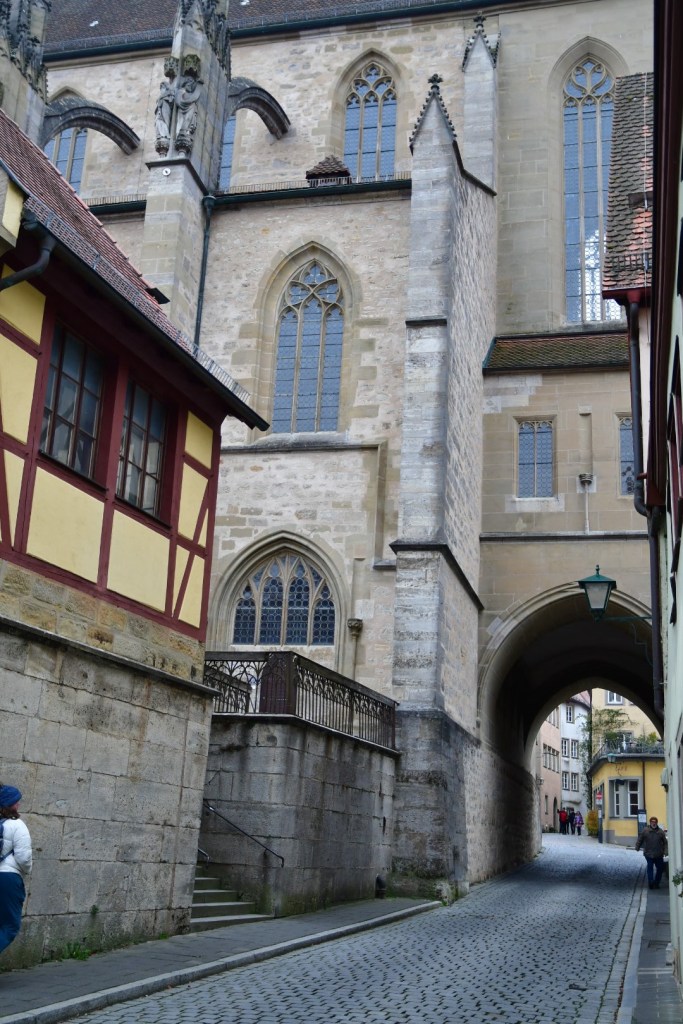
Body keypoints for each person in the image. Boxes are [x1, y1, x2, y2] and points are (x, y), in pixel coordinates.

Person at [0, 784, 32, 953]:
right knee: (10, 926)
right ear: (9, 805)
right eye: (16, 801)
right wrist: (26, 871)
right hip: (7, 879)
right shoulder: (17, 825)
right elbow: (24, 858)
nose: (18, 804)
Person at [635, 815, 667, 889]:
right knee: (650, 868)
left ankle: (656, 882)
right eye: (652, 822)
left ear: (657, 823)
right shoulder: (645, 830)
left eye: (655, 822)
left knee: (660, 869)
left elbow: (665, 842)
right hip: (648, 853)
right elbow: (640, 839)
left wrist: (665, 851)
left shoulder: (660, 832)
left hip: (658, 854)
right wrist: (637, 846)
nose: (653, 823)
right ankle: (651, 882)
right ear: (650, 822)